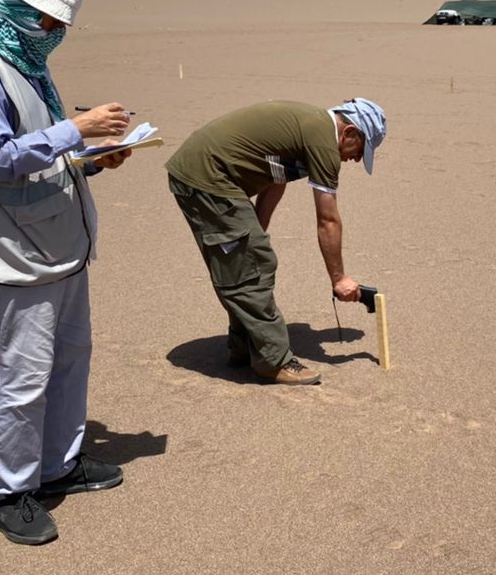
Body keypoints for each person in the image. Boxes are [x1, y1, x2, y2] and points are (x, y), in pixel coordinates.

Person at [0, 0, 134, 545]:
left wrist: (91, 159)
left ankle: (57, 466)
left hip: (59, 241)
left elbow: (35, 150)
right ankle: (10, 490)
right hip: (12, 251)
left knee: (71, 356)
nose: (54, 34)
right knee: (21, 375)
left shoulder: (21, 59)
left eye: (60, 25)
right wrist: (79, 129)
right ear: (17, 6)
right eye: (48, 21)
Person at [166, 98, 387, 385]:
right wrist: (339, 278)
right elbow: (328, 219)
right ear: (349, 133)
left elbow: (275, 178)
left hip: (207, 173)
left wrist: (256, 230)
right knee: (253, 264)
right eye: (361, 150)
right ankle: (273, 361)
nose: (356, 159)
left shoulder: (310, 128)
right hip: (206, 176)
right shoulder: (323, 142)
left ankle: (244, 348)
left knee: (248, 260)